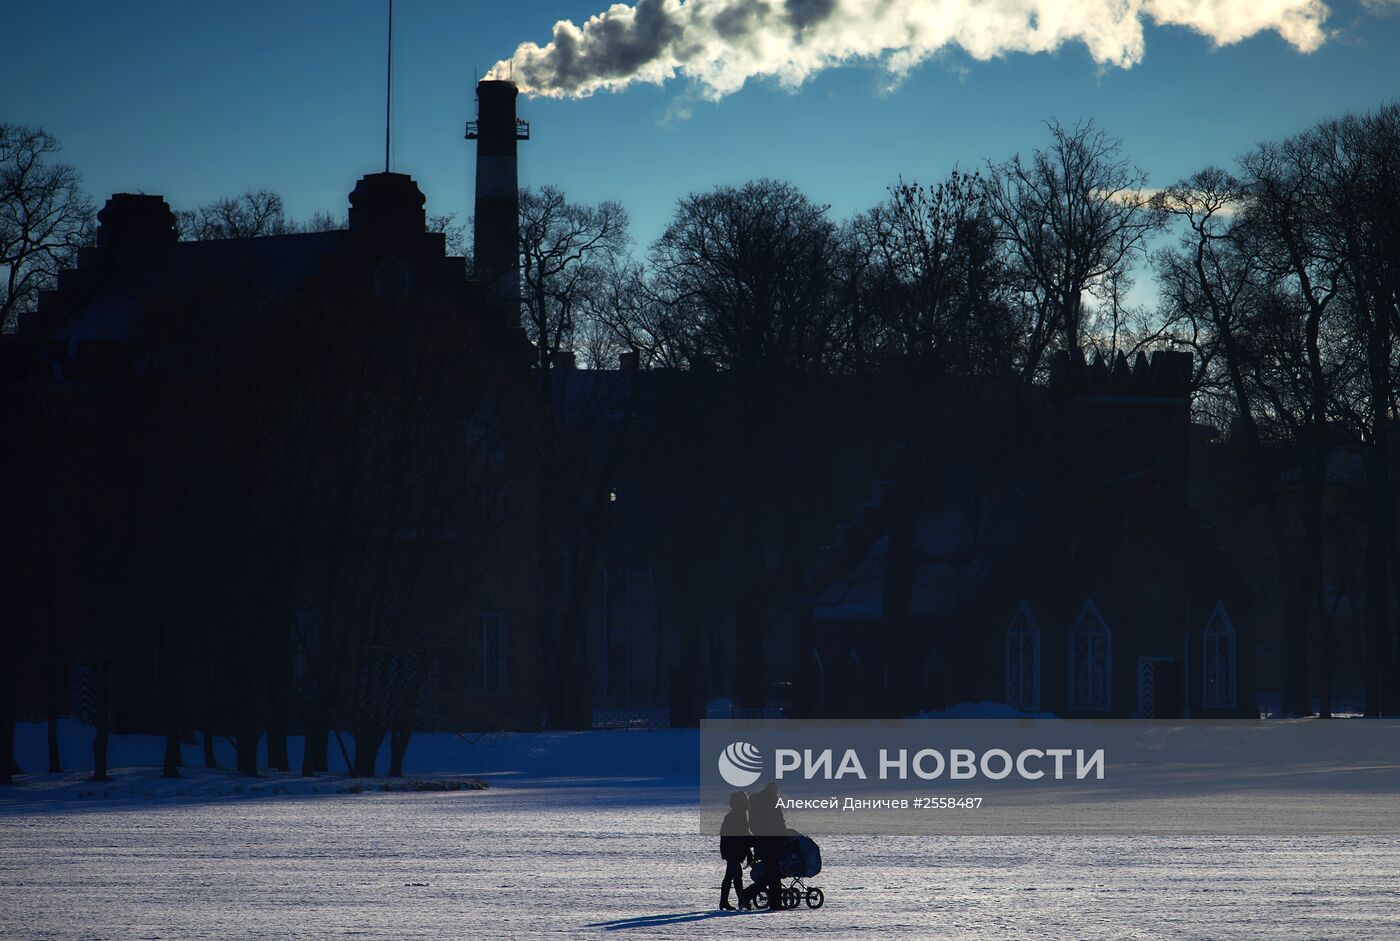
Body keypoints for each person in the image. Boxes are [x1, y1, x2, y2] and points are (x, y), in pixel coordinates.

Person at [744, 781, 787, 910]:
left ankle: (775, 902)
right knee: (774, 873)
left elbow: (753, 825)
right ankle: (749, 893)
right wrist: (783, 837)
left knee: (772, 873)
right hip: (773, 843)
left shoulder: (755, 803)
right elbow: (779, 821)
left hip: (761, 844)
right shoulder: (773, 801)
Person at [718, 790, 753, 910]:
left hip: (732, 850)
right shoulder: (738, 816)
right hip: (734, 850)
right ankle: (728, 902)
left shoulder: (734, 815)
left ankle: (739, 901)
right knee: (731, 876)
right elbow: (744, 836)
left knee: (736, 876)